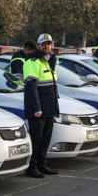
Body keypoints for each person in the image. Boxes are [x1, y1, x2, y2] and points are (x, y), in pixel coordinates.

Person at [23, 34, 60, 177]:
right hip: (38, 109)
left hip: (49, 107)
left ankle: (42, 164)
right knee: (36, 140)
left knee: (45, 139)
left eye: (49, 44)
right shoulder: (33, 61)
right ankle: (31, 167)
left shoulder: (51, 61)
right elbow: (31, 88)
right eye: (43, 44)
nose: (46, 46)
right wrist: (36, 108)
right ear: (38, 46)